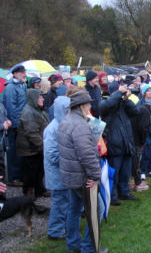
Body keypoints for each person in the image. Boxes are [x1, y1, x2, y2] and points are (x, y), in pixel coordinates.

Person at [58, 91, 106, 253]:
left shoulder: (67, 120)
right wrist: (95, 176)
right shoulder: (80, 125)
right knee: (96, 210)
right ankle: (88, 248)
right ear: (82, 106)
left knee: (74, 209)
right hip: (82, 178)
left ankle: (73, 244)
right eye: (88, 104)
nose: (90, 106)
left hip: (71, 176)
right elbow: (86, 155)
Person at [100, 82, 139, 206]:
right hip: (114, 144)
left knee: (125, 172)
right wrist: (118, 93)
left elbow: (135, 111)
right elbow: (106, 106)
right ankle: (112, 195)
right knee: (114, 173)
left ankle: (124, 192)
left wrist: (126, 99)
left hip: (126, 143)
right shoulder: (104, 102)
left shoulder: (123, 104)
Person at [43, 96, 70, 240]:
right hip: (57, 175)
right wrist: (72, 155)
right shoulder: (52, 129)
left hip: (65, 173)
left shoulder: (64, 126)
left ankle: (63, 227)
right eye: (67, 110)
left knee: (66, 203)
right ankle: (55, 231)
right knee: (59, 204)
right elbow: (52, 156)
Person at [16, 89, 50, 199]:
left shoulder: (37, 110)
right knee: (30, 172)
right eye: (40, 97)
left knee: (39, 170)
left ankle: (39, 189)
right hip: (30, 149)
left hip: (37, 148)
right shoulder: (29, 112)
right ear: (34, 98)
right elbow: (32, 133)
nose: (42, 99)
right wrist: (43, 146)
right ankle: (28, 192)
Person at [3, 65, 27, 186]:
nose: (25, 74)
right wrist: (15, 124)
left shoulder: (22, 85)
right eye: (22, 72)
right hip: (15, 126)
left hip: (22, 124)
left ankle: (19, 175)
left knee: (20, 151)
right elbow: (11, 108)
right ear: (15, 74)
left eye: (25, 72)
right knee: (13, 151)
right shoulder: (11, 88)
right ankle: (14, 178)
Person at [0, 103, 11, 181]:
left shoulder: (1, 104)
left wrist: (7, 121)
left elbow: (4, 116)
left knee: (1, 166)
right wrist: (2, 126)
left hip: (2, 141)